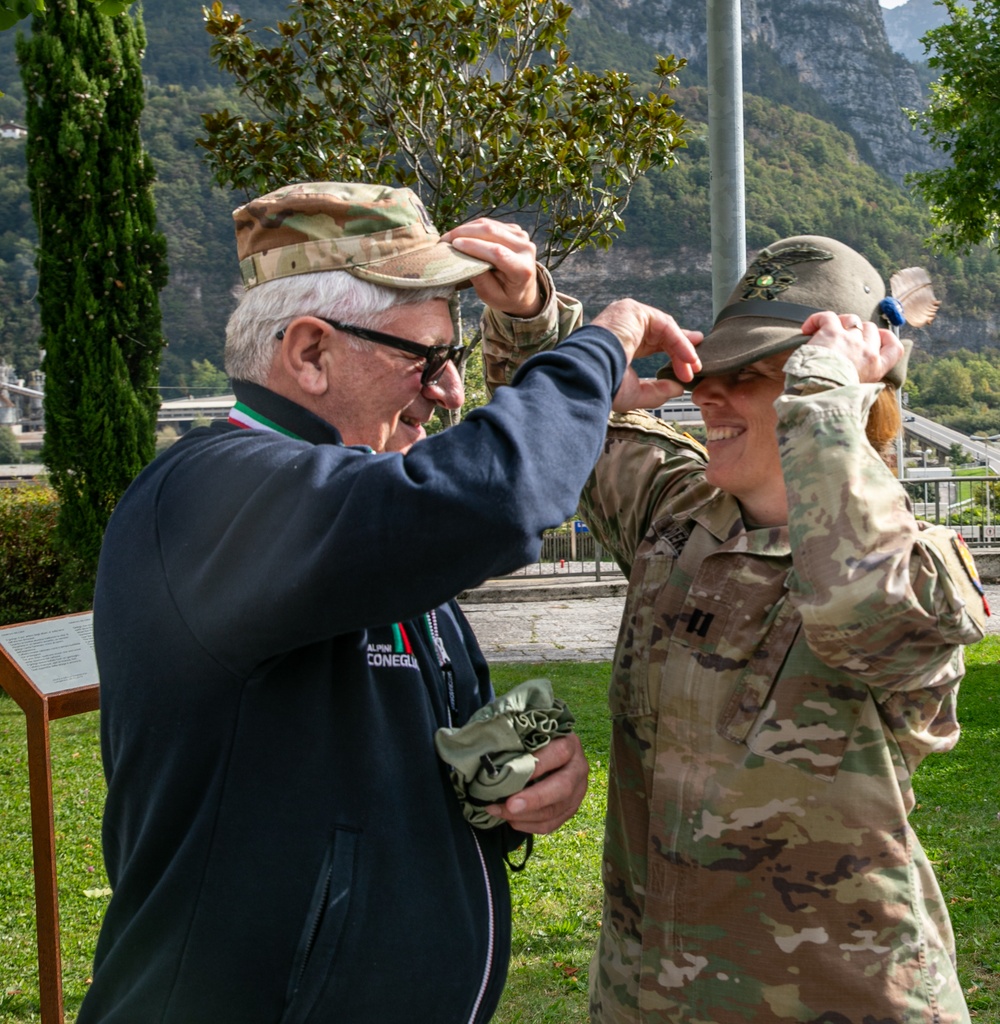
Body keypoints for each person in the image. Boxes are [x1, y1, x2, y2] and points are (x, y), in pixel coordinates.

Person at [79, 182, 701, 1024]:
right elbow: (499, 494)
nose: (449, 393)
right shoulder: (213, 496)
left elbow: (399, 739)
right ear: (309, 352)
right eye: (429, 358)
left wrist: (523, 780)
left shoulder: (351, 508)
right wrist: (600, 344)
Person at [466, 229, 988, 1024]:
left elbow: (855, 606)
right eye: (712, 372)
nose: (707, 395)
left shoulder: (910, 567)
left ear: (843, 391)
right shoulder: (675, 515)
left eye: (753, 377)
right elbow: (551, 431)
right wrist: (530, 312)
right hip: (650, 996)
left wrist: (824, 390)